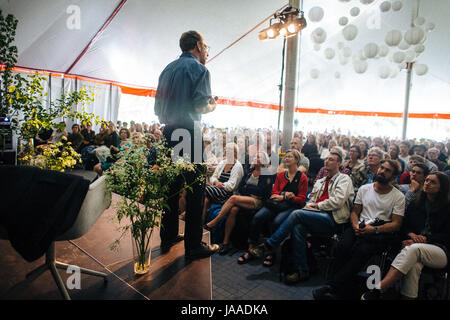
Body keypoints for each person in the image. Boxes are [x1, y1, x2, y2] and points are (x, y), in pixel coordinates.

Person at [154, 30, 218, 260]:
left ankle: (169, 234)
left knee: (171, 188)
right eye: (206, 47)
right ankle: (193, 245)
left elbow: (157, 108)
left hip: (168, 131)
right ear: (199, 46)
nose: (207, 52)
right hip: (188, 132)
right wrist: (212, 106)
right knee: (195, 189)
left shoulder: (167, 69)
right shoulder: (200, 69)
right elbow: (201, 106)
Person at [250, 151, 355, 283]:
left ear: (339, 164)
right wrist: (311, 206)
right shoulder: (321, 181)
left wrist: (316, 206)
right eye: (326, 159)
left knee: (297, 213)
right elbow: (310, 200)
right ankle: (302, 270)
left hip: (333, 218)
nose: (327, 161)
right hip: (315, 215)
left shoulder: (344, 179)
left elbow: (337, 202)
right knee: (298, 228)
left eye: (332, 159)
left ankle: (269, 245)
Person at [313, 160, 405, 300]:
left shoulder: (398, 196)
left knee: (361, 251)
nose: (382, 171)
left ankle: (332, 286)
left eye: (387, 171)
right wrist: (355, 226)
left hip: (379, 232)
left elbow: (396, 224)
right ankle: (339, 287)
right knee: (342, 246)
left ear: (393, 177)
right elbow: (355, 212)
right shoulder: (365, 189)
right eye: (382, 168)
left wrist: (373, 230)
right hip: (359, 226)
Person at [361, 172, 450, 300]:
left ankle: (380, 288)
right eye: (427, 180)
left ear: (442, 187)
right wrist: (410, 234)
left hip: (441, 250)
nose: (427, 184)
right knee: (414, 265)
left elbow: (446, 235)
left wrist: (426, 239)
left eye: (433, 182)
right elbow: (404, 226)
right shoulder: (416, 203)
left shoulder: (447, 207)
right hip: (414, 247)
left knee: (414, 249)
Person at [237, 149, 308, 265]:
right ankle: (252, 246)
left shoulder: (302, 177)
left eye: (290, 157)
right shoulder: (281, 175)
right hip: (276, 204)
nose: (286, 158)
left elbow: (302, 199)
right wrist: (284, 195)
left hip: (291, 206)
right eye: (286, 157)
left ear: (296, 160)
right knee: (257, 217)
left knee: (276, 222)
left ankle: (271, 252)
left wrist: (285, 197)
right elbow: (273, 192)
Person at [204, 151, 273, 255]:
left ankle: (214, 222)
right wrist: (249, 189)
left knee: (233, 198)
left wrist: (248, 188)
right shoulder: (250, 171)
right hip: (246, 197)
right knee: (233, 210)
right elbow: (241, 187)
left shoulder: (266, 173)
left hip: (258, 201)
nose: (255, 158)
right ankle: (226, 242)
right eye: (255, 156)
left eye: (259, 157)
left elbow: (262, 191)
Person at [202, 142, 244, 224]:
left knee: (204, 189)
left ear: (234, 153)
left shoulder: (237, 166)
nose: (226, 151)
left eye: (228, 149)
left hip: (227, 193)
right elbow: (213, 177)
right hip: (216, 190)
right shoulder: (223, 163)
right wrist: (216, 182)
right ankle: (202, 224)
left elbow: (232, 186)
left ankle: (186, 213)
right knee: (205, 199)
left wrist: (222, 185)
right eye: (225, 149)